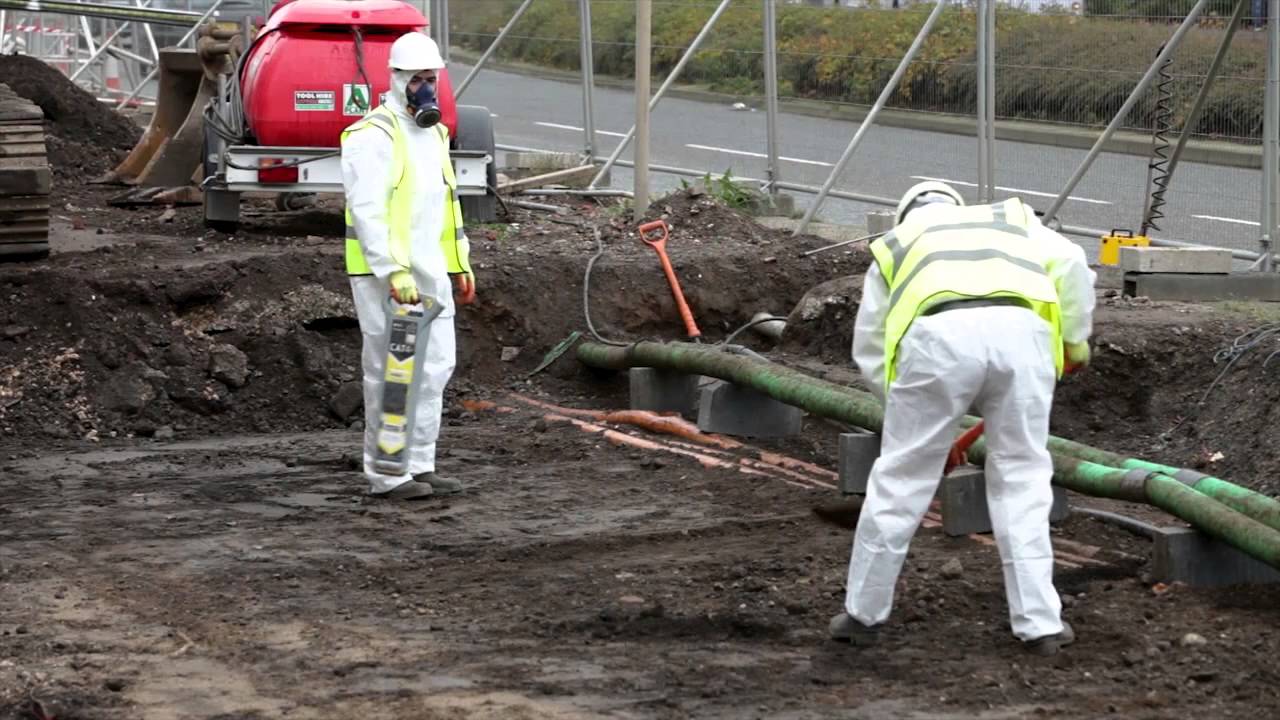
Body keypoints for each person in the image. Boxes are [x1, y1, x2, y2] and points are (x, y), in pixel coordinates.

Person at [829, 181, 1095, 655]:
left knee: (901, 479)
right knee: (1022, 477)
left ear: (904, 214)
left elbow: (870, 349)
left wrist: (912, 424)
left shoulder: (896, 244)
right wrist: (1074, 339)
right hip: (1024, 336)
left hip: (937, 340)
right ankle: (1041, 626)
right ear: (958, 207)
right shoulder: (1009, 219)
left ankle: (863, 616)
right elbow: (1074, 262)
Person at [339, 31, 476, 501]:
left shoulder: (435, 133)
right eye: (416, 78)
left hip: (430, 273)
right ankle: (388, 475)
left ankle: (420, 462)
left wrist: (459, 263)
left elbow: (446, 208)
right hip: (389, 280)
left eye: (430, 78)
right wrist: (393, 271)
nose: (425, 87)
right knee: (395, 374)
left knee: (436, 367)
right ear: (395, 79)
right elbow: (367, 212)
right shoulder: (372, 137)